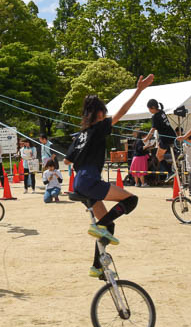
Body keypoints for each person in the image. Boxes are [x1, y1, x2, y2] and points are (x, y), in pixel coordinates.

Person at [64, 74, 153, 278]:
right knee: (131, 199)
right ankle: (99, 228)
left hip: (79, 183)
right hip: (90, 181)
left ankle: (97, 266)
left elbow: (67, 161)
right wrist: (138, 90)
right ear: (101, 113)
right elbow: (123, 110)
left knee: (108, 224)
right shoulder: (99, 127)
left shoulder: (80, 135)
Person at [142, 99, 176, 178]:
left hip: (165, 138)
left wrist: (147, 138)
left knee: (159, 156)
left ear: (153, 107)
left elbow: (153, 129)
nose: (149, 111)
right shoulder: (161, 112)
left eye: (149, 109)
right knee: (162, 154)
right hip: (171, 135)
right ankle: (176, 154)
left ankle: (170, 171)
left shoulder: (155, 116)